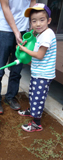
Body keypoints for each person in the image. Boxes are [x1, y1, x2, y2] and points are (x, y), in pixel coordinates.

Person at [0, 0, 36, 114]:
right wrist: (16, 32)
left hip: (24, 30)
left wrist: (33, 25)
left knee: (16, 69)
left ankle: (10, 97)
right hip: (5, 31)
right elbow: (5, 6)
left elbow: (33, 3)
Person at [18, 3, 57, 132]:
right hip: (38, 72)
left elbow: (40, 55)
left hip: (44, 74)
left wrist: (24, 49)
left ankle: (36, 123)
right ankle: (32, 110)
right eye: (34, 21)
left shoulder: (47, 35)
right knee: (33, 94)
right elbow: (33, 37)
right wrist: (26, 41)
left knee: (38, 98)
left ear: (49, 20)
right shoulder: (41, 32)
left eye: (42, 20)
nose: (38, 24)